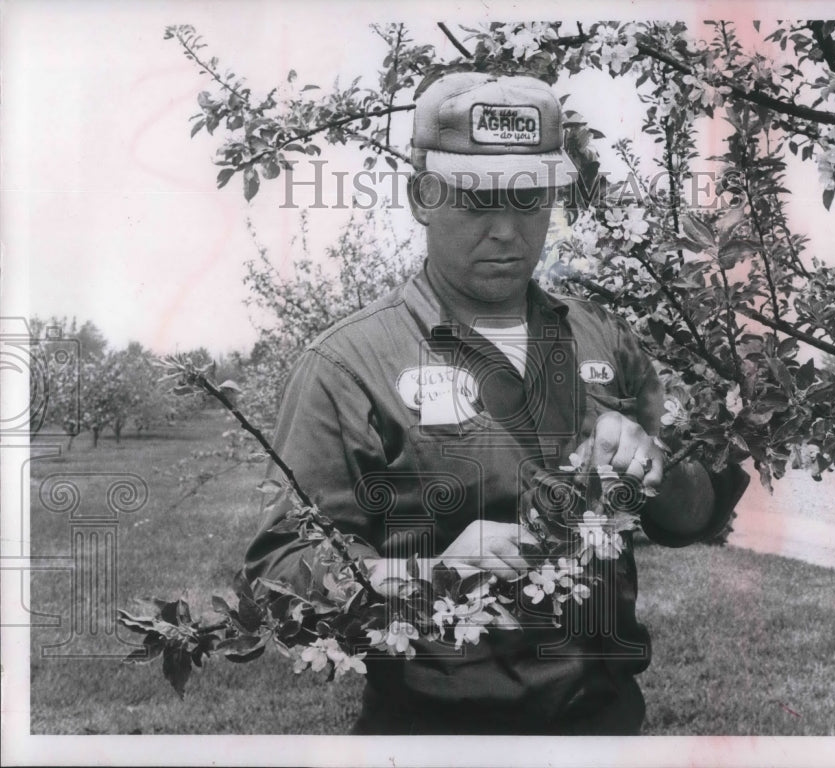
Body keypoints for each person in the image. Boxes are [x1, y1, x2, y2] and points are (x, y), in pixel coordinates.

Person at [244, 70, 749, 735]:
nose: (507, 231)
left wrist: (657, 466)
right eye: (477, 200)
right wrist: (426, 575)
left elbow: (696, 516)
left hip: (602, 728)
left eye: (530, 198)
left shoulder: (603, 338)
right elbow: (276, 578)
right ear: (421, 197)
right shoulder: (346, 366)